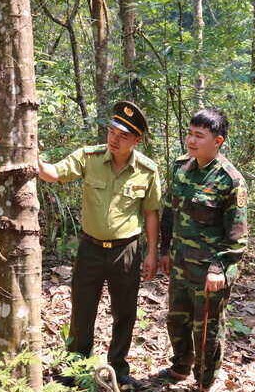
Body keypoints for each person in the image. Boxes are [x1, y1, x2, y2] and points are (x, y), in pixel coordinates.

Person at [38, 101, 161, 389]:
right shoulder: (89, 157)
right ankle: (76, 366)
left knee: (125, 312)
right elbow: (53, 173)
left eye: (124, 136)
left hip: (126, 251)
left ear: (137, 140)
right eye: (112, 132)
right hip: (91, 248)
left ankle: (118, 366)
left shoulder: (146, 170)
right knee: (82, 309)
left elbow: (151, 213)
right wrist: (30, 155)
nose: (115, 139)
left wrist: (152, 252)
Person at [156, 108, 248, 392]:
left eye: (199, 136)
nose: (191, 141)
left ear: (218, 141)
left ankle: (204, 381)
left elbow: (237, 235)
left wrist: (218, 268)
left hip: (211, 270)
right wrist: (164, 250)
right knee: (177, 319)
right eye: (189, 134)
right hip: (181, 262)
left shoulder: (230, 180)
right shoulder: (180, 167)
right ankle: (180, 366)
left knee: (207, 329)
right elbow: (169, 211)